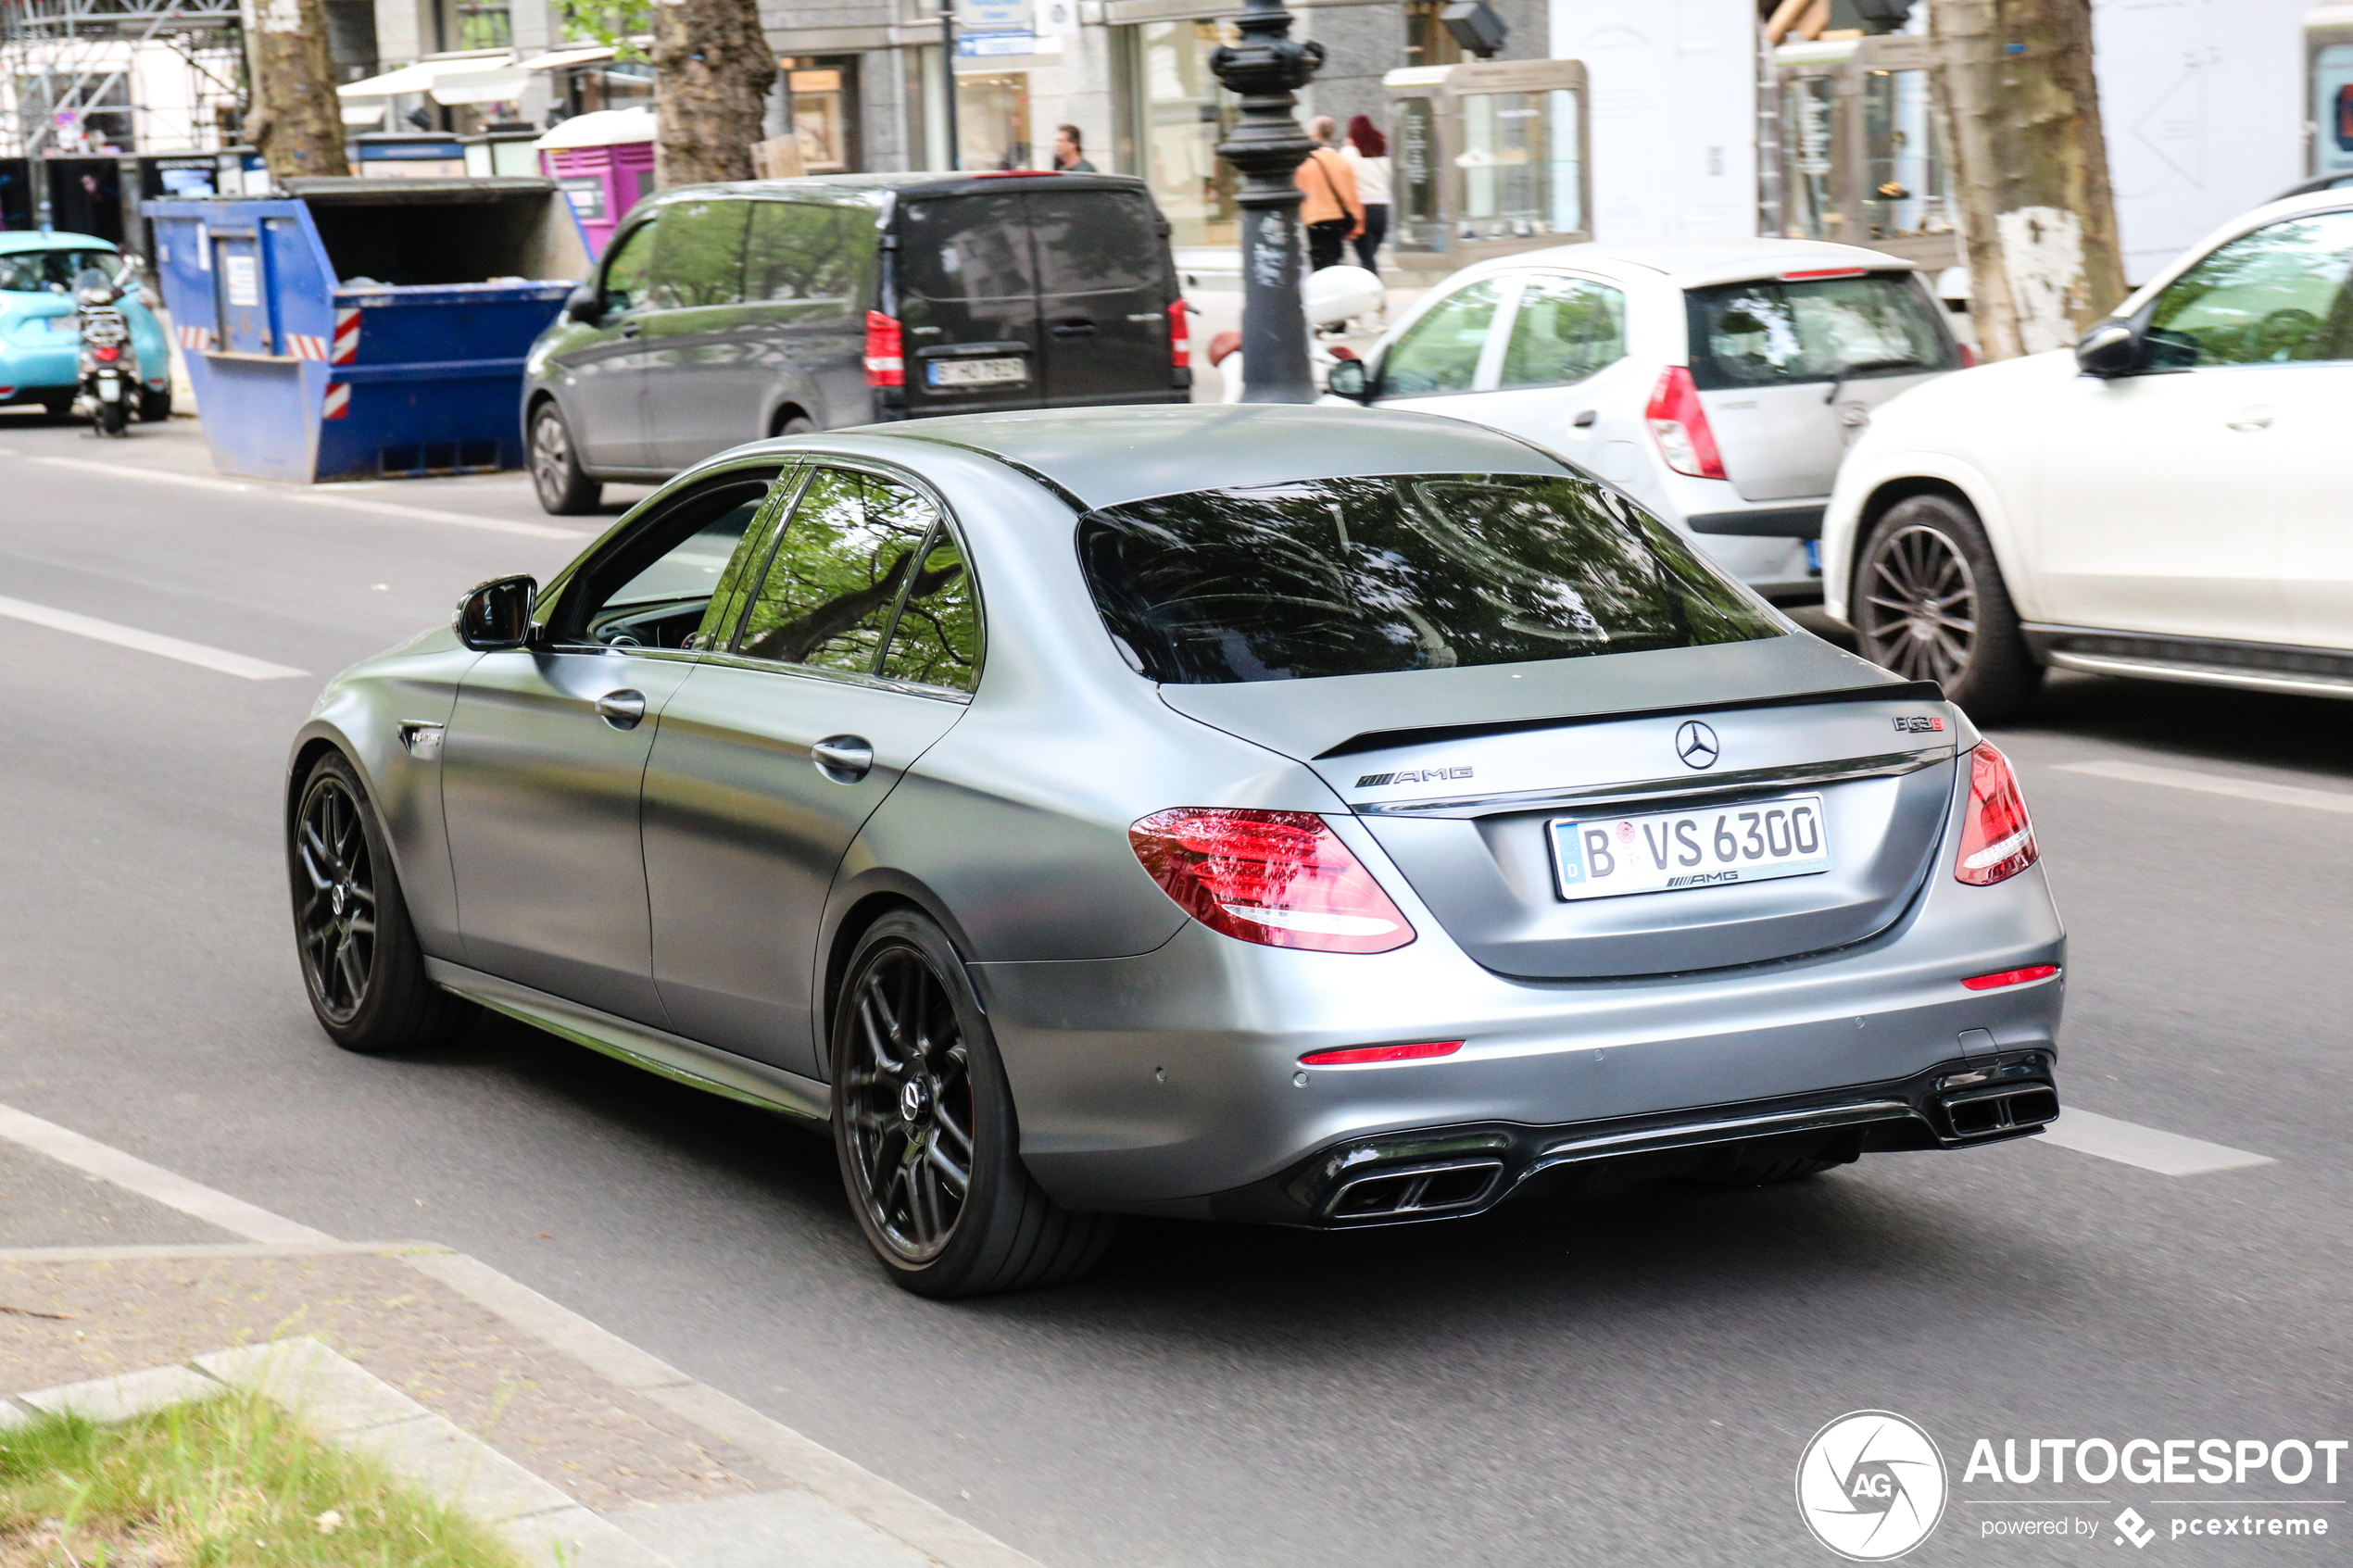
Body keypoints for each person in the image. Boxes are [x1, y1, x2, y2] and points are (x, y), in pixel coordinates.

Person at [1294, 115, 1363, 271]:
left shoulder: (1305, 163)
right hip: (1338, 218)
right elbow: (1352, 195)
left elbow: (1298, 191)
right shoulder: (1342, 161)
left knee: (1319, 263)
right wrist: (1357, 224)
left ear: (1316, 134)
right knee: (1335, 261)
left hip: (1314, 219)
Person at [1341, 114, 1390, 273]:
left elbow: (1340, 172)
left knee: (1367, 259)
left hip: (1362, 210)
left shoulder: (1349, 152)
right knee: (1369, 257)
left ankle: (1374, 293)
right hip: (1382, 209)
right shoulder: (1382, 151)